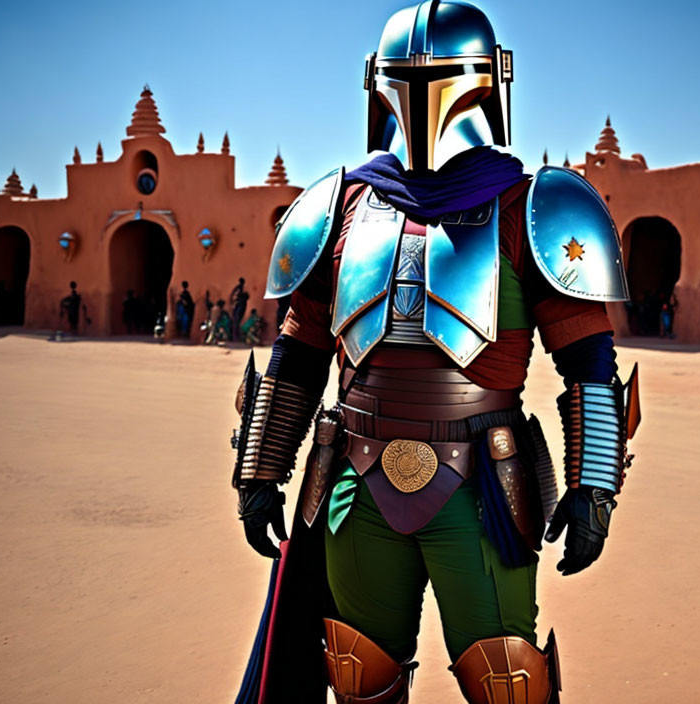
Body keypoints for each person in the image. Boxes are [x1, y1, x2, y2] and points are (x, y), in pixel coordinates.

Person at [230, 3, 640, 702]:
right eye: (408, 78)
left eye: (444, 76)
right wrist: (260, 469)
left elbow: (589, 361)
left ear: (484, 81)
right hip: (353, 487)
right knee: (360, 678)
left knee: (507, 681)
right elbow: (297, 352)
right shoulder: (340, 206)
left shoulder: (533, 206)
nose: (426, 96)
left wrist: (595, 486)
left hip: (483, 489)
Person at [231, 277, 249, 341]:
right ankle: (235, 337)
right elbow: (234, 295)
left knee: (237, 322)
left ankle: (236, 337)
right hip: (239, 307)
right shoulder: (239, 288)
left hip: (240, 306)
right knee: (236, 322)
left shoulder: (241, 289)